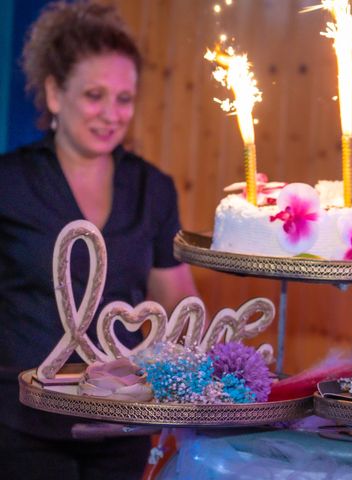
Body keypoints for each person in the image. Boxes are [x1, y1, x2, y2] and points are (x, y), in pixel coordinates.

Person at [0, 2, 198, 479]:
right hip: (18, 425)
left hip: (123, 427)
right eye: (94, 95)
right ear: (53, 93)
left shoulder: (153, 188)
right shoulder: (9, 182)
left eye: (124, 99)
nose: (111, 114)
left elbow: (178, 301)